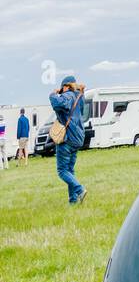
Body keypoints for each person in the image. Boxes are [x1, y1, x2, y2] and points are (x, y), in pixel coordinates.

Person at [49, 75, 87, 204]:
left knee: (62, 171)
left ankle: (80, 189)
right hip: (78, 138)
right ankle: (73, 200)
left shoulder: (68, 95)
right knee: (70, 170)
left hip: (67, 138)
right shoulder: (80, 96)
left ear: (66, 86)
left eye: (62, 88)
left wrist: (53, 94)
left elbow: (57, 104)